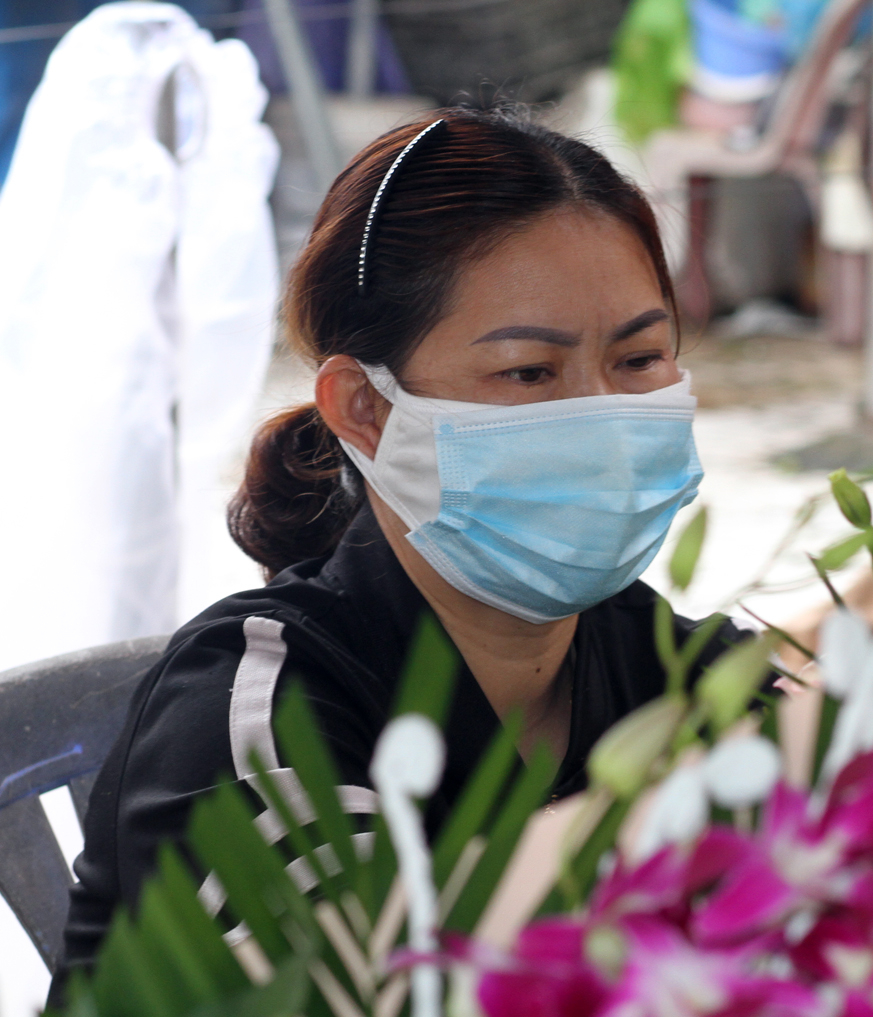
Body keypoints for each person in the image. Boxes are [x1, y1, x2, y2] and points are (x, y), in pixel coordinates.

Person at [51, 105, 742, 992]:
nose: (601, 415)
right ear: (366, 411)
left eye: (640, 358)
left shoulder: (672, 666)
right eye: (529, 372)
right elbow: (370, 974)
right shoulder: (256, 711)